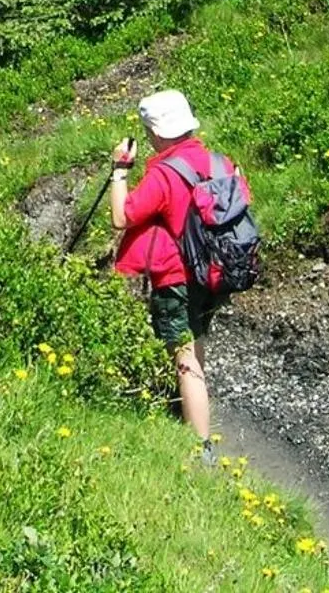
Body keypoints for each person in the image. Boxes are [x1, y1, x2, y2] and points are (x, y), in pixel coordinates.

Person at [109, 89, 223, 445]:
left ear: (156, 132)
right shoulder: (218, 162)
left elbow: (121, 216)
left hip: (177, 276)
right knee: (195, 343)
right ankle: (187, 414)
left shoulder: (165, 173)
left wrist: (119, 172)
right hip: (215, 273)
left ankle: (200, 446)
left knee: (184, 358)